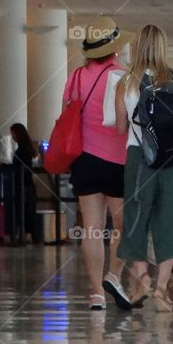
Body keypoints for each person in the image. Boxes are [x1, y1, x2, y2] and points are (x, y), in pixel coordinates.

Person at [115, 24, 173, 312]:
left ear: (137, 48)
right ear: (164, 47)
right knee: (171, 221)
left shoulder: (125, 83)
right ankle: (162, 289)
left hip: (139, 158)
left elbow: (121, 127)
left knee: (136, 217)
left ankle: (142, 280)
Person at [63, 16, 134, 311]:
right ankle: (113, 276)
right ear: (115, 49)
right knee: (123, 226)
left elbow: (66, 114)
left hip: (85, 160)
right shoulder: (125, 77)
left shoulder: (76, 77)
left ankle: (95, 294)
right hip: (119, 160)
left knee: (91, 228)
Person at [10, 123, 40, 244]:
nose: (12, 137)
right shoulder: (29, 149)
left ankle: (26, 235)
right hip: (28, 185)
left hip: (22, 185)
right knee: (28, 211)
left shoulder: (22, 151)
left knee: (23, 211)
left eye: (13, 134)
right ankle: (30, 235)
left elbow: (19, 168)